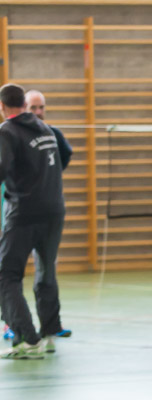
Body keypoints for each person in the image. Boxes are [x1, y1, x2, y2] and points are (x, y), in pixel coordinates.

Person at [0, 84, 66, 359]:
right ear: (24, 104)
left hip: (24, 212)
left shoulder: (7, 130)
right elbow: (64, 157)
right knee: (46, 272)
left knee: (6, 275)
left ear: (2, 106)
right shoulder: (46, 129)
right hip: (54, 210)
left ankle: (28, 338)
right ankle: (49, 333)